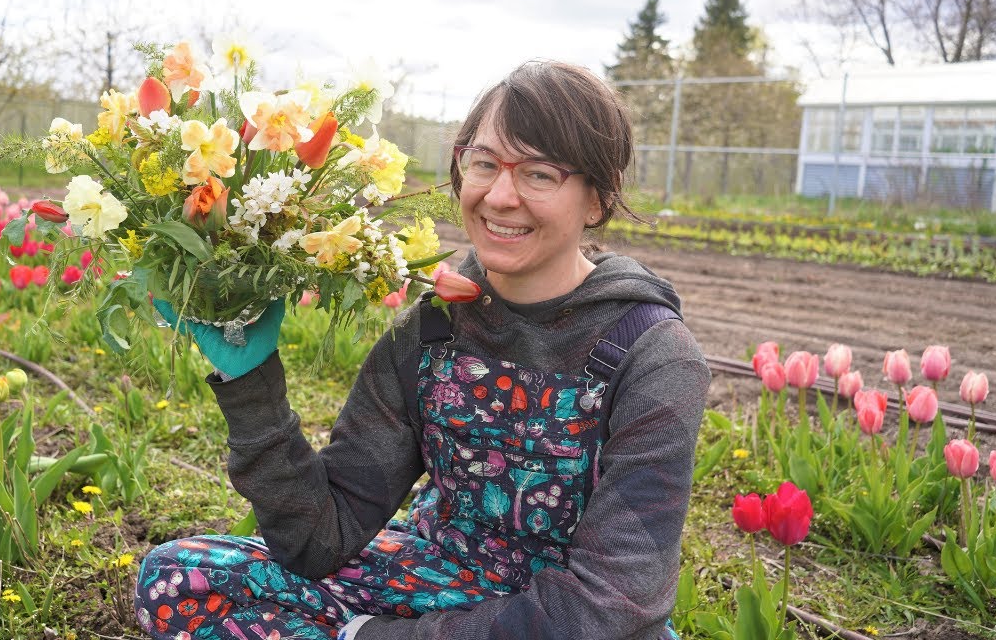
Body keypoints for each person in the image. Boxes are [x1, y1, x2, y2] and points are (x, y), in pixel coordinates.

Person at [135, 60, 710, 640]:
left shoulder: (652, 355)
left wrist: (375, 636)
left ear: (597, 199)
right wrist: (252, 381)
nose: (500, 196)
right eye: (484, 163)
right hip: (435, 576)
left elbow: (611, 602)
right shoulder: (433, 329)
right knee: (178, 580)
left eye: (540, 174)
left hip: (571, 619)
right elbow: (319, 539)